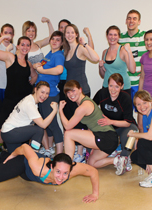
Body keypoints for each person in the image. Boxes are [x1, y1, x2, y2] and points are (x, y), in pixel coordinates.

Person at [0, 144, 99, 205]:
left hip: (28, 176)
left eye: (65, 173)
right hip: (23, 165)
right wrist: (14, 155)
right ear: (51, 166)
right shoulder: (38, 168)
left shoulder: (75, 168)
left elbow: (93, 171)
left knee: (5, 163)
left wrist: (95, 193)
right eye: (58, 172)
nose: (61, 176)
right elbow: (26, 148)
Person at [59, 80, 120, 174]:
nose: (71, 94)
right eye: (68, 92)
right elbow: (91, 125)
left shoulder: (83, 106)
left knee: (68, 134)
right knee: (91, 163)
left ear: (80, 90)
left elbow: (67, 126)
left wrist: (60, 110)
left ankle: (67, 166)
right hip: (108, 138)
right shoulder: (83, 101)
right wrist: (93, 145)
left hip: (106, 137)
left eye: (73, 90)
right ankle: (116, 160)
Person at [63, 24, 99, 162]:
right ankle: (76, 150)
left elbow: (95, 58)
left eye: (72, 32)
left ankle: (80, 152)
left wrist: (86, 41)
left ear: (76, 34)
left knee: (82, 122)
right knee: (74, 121)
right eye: (67, 32)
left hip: (81, 90)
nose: (70, 35)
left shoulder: (80, 49)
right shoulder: (66, 50)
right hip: (70, 92)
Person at [0, 35, 37, 136]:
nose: (25, 47)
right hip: (10, 99)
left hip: (24, 100)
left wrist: (30, 83)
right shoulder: (10, 57)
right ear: (18, 46)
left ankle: (22, 149)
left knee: (24, 126)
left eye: (28, 45)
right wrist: (2, 38)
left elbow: (34, 75)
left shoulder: (28, 63)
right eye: (22, 44)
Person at [119, 9, 152, 102]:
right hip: (125, 82)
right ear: (126, 21)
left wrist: (148, 67)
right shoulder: (120, 38)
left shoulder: (146, 37)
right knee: (126, 112)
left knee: (142, 112)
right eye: (129, 18)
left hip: (140, 83)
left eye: (134, 18)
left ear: (139, 22)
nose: (131, 21)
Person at [93, 73, 138, 175]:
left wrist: (111, 121)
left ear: (122, 86)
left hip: (125, 126)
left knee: (129, 134)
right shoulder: (102, 93)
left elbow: (127, 122)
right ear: (107, 85)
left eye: (117, 86)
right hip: (108, 127)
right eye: (111, 86)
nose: (113, 90)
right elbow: (91, 106)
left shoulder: (125, 98)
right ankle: (116, 155)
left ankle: (124, 159)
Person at [33, 31, 64, 156]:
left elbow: (59, 70)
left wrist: (41, 70)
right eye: (53, 39)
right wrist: (37, 66)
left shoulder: (58, 55)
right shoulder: (50, 53)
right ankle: (49, 148)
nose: (55, 41)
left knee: (52, 124)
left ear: (62, 43)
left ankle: (60, 153)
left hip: (50, 94)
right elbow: (42, 67)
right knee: (47, 123)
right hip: (42, 93)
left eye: (58, 40)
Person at [99, 25, 136, 96]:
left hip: (122, 88)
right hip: (108, 86)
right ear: (107, 36)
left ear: (119, 37)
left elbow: (132, 70)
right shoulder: (105, 52)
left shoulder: (123, 51)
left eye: (115, 35)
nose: (112, 37)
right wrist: (100, 67)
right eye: (110, 34)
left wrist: (129, 51)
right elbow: (103, 75)